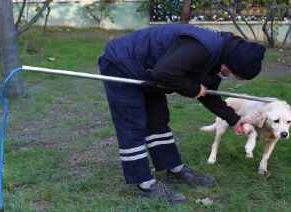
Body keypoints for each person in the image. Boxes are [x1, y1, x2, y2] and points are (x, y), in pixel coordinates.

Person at [98, 24, 266, 203]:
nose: (229, 76)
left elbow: (207, 94)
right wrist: (193, 89)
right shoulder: (202, 48)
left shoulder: (219, 57)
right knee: (133, 123)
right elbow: (166, 72)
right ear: (230, 62)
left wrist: (234, 119)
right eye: (232, 73)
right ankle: (143, 183)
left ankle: (173, 168)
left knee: (158, 119)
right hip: (122, 63)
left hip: (150, 70)